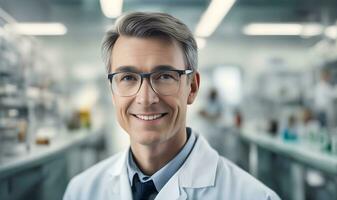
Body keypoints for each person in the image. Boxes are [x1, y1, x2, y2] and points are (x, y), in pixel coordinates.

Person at [63, 12, 280, 200]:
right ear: (112, 90)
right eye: (128, 77)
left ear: (192, 87)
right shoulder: (82, 191)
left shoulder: (253, 196)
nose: (145, 99)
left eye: (164, 76)